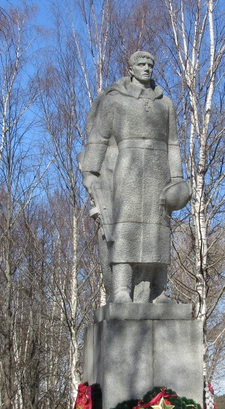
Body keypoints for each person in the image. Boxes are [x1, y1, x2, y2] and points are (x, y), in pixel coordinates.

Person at [80, 51, 189, 303]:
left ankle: (158, 291)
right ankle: (121, 290)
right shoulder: (115, 100)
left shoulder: (165, 103)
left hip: (159, 169)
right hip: (127, 167)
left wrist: (177, 177)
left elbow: (173, 144)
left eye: (150, 64)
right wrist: (90, 170)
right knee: (124, 228)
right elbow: (99, 138)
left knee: (157, 231)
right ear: (130, 68)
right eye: (141, 64)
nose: (146, 68)